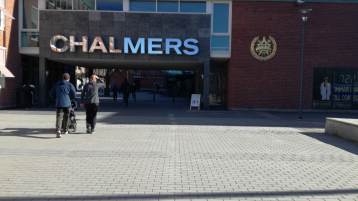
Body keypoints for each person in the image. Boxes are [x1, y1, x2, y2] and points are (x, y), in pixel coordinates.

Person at [49, 73, 77, 138]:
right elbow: (74, 94)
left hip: (59, 103)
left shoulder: (57, 84)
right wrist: (71, 98)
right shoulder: (70, 85)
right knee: (66, 117)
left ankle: (58, 130)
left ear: (62, 78)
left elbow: (51, 92)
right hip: (67, 103)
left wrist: (54, 98)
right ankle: (65, 130)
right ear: (68, 78)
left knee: (59, 117)